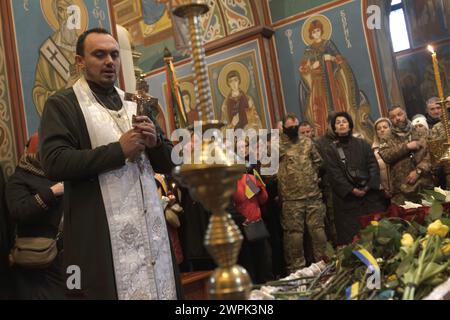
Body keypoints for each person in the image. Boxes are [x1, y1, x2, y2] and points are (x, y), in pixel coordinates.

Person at [39, 28, 181, 299]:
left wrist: (155, 144)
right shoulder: (63, 104)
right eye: (99, 54)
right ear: (80, 61)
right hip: (100, 236)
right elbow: (54, 163)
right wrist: (118, 151)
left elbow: (171, 163)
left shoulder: (136, 103)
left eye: (114, 54)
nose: (109, 61)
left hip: (151, 235)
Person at [5, 133, 65, 299]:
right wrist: (53, 192)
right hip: (39, 261)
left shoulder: (63, 173)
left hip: (69, 258)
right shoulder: (19, 178)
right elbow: (19, 211)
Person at [298, 19, 373, 140]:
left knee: (339, 103)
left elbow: (340, 59)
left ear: (321, 31)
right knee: (320, 109)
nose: (316, 33)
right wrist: (311, 66)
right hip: (318, 85)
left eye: (318, 30)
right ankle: (325, 134)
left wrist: (332, 58)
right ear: (310, 34)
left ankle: (345, 131)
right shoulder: (308, 50)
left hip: (333, 81)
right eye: (314, 32)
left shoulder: (328, 44)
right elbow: (302, 68)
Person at [324, 112, 386, 245]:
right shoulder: (331, 150)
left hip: (369, 197)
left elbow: (373, 165)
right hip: (347, 202)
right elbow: (334, 175)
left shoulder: (363, 144)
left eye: (344, 121)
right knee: (353, 239)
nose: (341, 124)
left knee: (376, 233)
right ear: (334, 128)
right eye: (338, 122)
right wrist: (351, 190)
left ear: (350, 125)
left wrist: (368, 186)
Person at [278, 113, 327, 273]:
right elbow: (267, 171)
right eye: (290, 126)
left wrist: (311, 176)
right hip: (291, 199)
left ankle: (323, 265)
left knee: (318, 232)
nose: (294, 129)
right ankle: (296, 270)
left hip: (313, 196)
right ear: (284, 128)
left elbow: (318, 162)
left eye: (296, 126)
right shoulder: (276, 145)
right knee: (294, 236)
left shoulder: (307, 142)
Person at [33, 0, 82, 115]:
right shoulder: (48, 51)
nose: (65, 16)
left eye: (69, 11)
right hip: (64, 118)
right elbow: (38, 94)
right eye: (60, 10)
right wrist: (66, 88)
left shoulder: (87, 47)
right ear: (55, 14)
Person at [379, 105, 434, 205]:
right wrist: (407, 147)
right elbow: (386, 156)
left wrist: (419, 170)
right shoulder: (386, 138)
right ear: (390, 120)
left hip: (424, 183)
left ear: (405, 114)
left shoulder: (421, 132)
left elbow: (431, 155)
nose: (397, 118)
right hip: (401, 189)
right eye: (393, 117)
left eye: (399, 114)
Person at [372, 118, 393, 199]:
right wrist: (382, 188)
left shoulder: (399, 145)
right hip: (383, 191)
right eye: (379, 129)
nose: (382, 130)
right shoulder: (373, 150)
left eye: (385, 127)